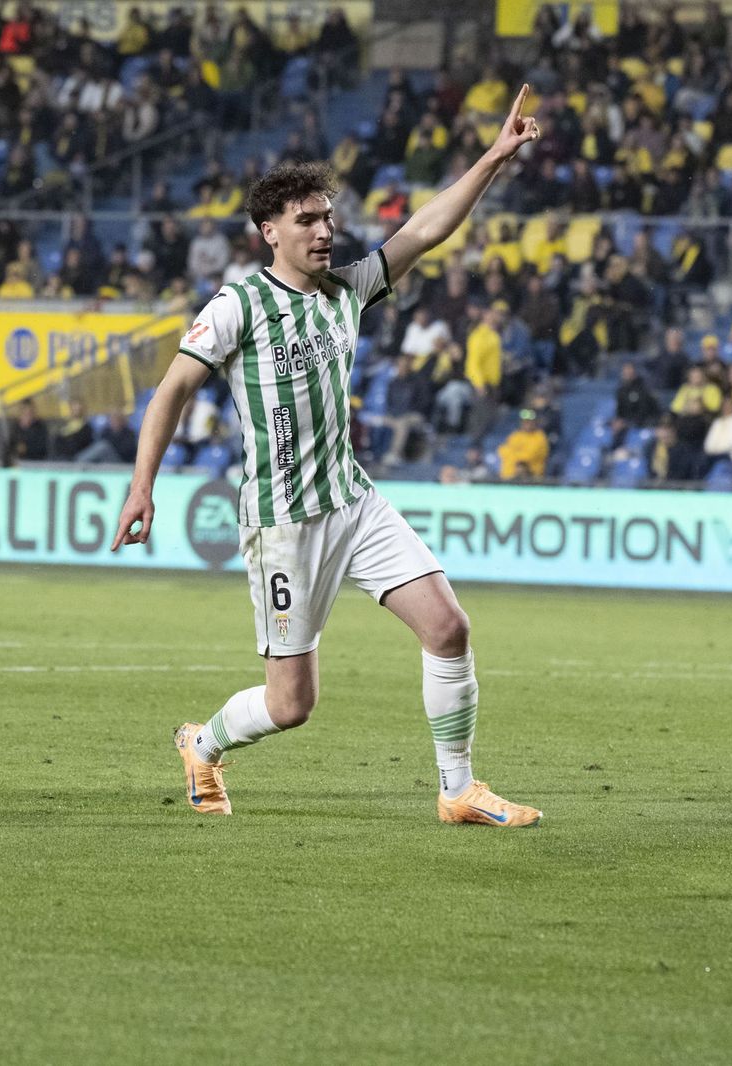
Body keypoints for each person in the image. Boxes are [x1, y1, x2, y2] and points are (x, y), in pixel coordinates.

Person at [111, 86, 546, 828]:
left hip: (354, 500)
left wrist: (495, 158)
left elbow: (426, 229)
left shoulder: (347, 291)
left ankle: (457, 790)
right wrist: (140, 486)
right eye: (305, 220)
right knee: (291, 705)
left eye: (328, 218)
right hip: (284, 526)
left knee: (449, 627)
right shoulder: (236, 307)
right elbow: (169, 393)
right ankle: (201, 741)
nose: (324, 232)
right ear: (267, 232)